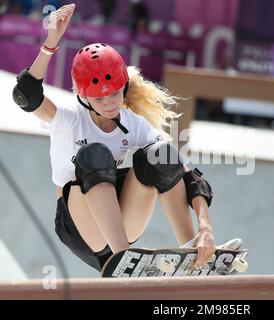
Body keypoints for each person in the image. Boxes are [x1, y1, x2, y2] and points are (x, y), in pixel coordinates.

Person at [11, 4, 218, 272]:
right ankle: (124, 260)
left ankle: (193, 251)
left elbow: (185, 172)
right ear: (83, 96)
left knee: (161, 154)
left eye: (115, 94)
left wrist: (206, 227)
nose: (109, 104)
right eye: (99, 98)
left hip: (121, 221)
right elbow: (26, 96)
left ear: (124, 88)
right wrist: (50, 43)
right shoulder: (69, 119)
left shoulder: (132, 124)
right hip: (80, 228)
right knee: (94, 156)